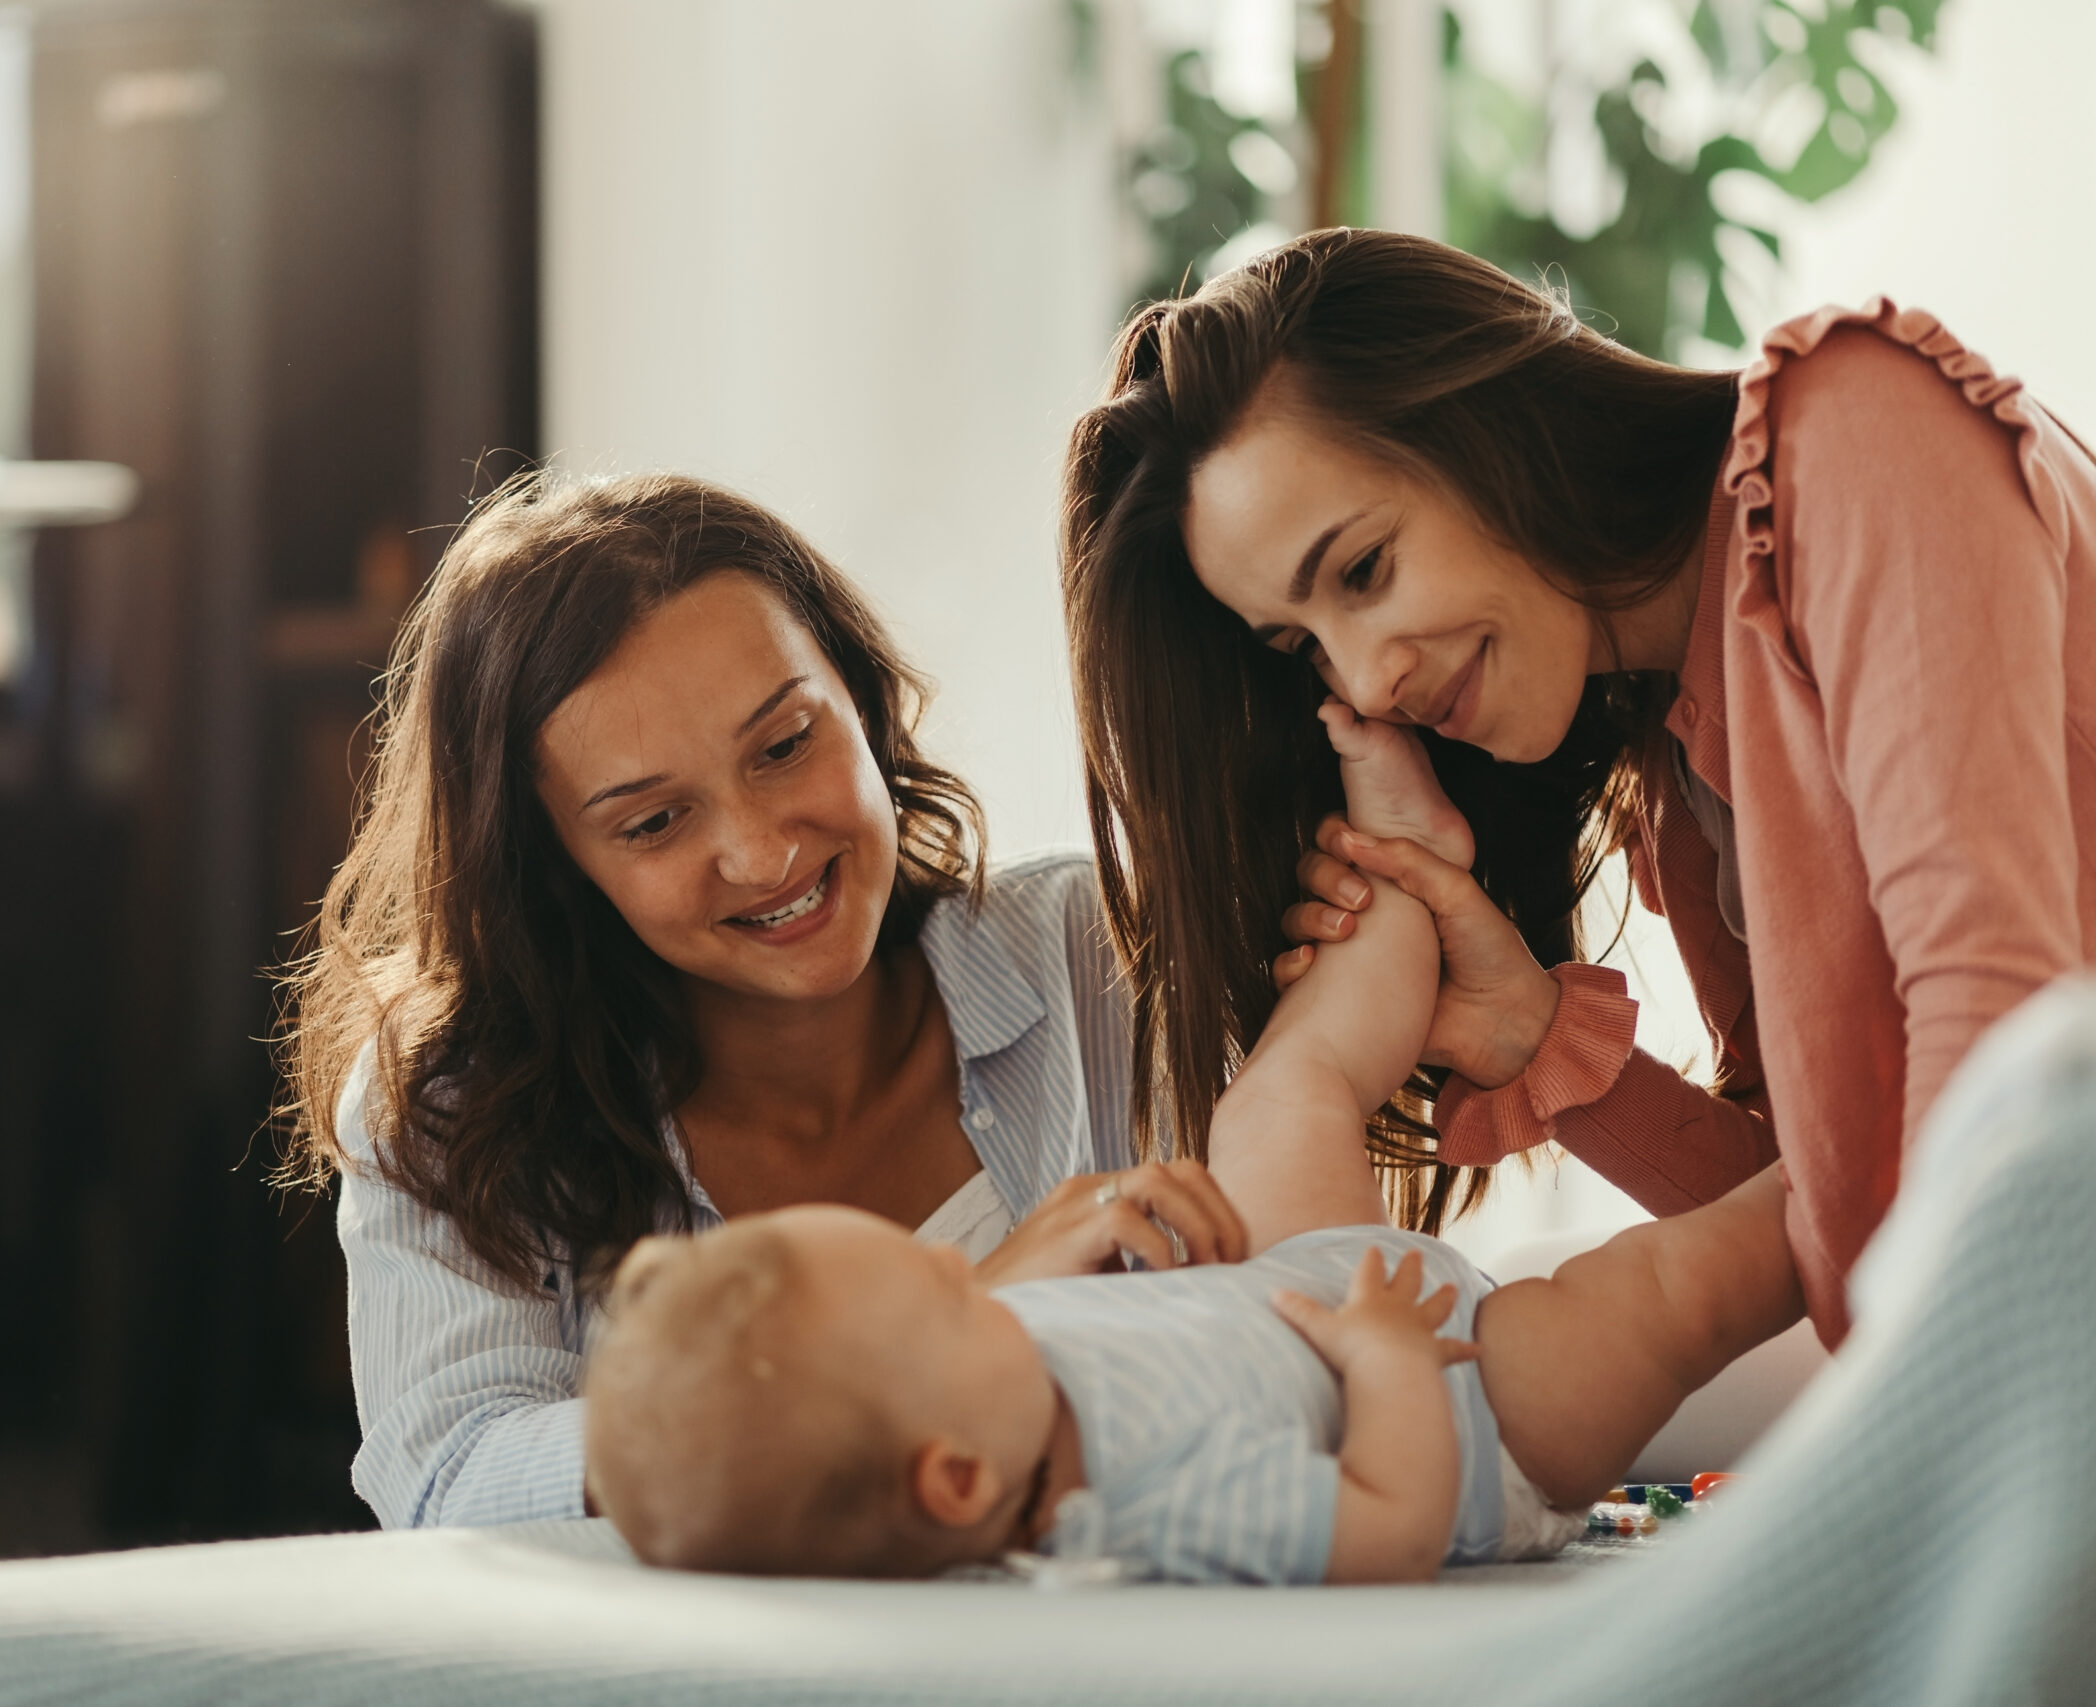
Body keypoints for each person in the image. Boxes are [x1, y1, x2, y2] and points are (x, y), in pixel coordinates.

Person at [1059, 227, 2096, 1345]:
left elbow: (2001, 1040)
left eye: (1363, 569)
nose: (1365, 680)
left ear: (1492, 427)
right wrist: (1530, 1031)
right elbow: (1825, 1226)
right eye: (1301, 648)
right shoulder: (1678, 768)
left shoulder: (1855, 431)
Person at [584, 721, 1802, 1580]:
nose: (986, 1287)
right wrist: (1385, 1366)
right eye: (953, 1305)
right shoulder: (1144, 1507)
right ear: (958, 1481)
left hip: (1292, 1284)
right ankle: (1870, 1176)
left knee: (1278, 1102)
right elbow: (1386, 1532)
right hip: (1466, 1401)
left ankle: (1404, 862)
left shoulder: (976, 1387)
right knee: (1667, 1290)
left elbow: (1083, 1321)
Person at [281, 472, 1247, 1529]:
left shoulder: (1096, 952)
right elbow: (452, 1482)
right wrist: (960, 1326)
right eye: (652, 823)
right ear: (556, 865)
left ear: (861, 701)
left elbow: (1300, 1328)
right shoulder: (455, 1103)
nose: (762, 853)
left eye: (786, 746)